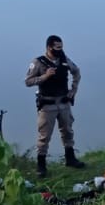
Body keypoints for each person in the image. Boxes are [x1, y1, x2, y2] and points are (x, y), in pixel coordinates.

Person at [24, 34, 83, 177]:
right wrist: (44, 76)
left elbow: (76, 72)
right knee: (44, 136)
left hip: (63, 102)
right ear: (49, 47)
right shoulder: (38, 62)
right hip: (47, 104)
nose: (60, 50)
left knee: (67, 131)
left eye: (61, 47)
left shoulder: (64, 59)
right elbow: (28, 81)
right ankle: (41, 166)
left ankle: (70, 159)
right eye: (57, 47)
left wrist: (73, 90)